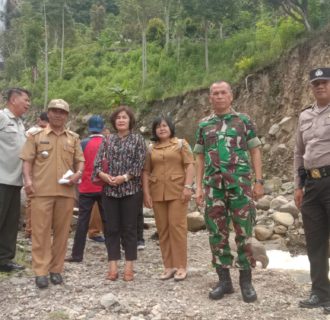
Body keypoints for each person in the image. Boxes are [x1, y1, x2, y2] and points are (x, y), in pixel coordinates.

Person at [194, 81, 264, 303]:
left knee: (243, 232)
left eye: (223, 92)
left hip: (240, 185)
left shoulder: (243, 121)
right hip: (213, 187)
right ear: (210, 98)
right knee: (217, 234)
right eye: (215, 93)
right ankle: (224, 281)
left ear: (231, 96)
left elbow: (255, 150)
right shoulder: (204, 125)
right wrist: (197, 187)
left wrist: (259, 181)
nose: (219, 96)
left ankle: (246, 281)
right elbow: (199, 156)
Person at [20, 99, 84, 289]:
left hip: (65, 192)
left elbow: (80, 160)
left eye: (62, 112)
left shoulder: (73, 138)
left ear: (67, 115)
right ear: (48, 113)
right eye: (54, 111)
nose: (58, 114)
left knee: (62, 233)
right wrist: (28, 181)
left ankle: (56, 269)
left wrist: (78, 173)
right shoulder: (36, 136)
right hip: (41, 192)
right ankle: (40, 271)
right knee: (40, 232)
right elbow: (27, 161)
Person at [92, 105, 146, 281]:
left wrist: (124, 177)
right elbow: (97, 164)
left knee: (130, 229)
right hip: (109, 191)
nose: (121, 120)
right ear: (114, 122)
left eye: (124, 117)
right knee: (111, 228)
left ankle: (129, 267)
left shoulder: (138, 139)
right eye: (118, 118)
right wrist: (104, 176)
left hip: (130, 190)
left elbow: (139, 164)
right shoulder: (107, 140)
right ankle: (113, 266)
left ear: (130, 120)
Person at [294, 67, 330, 313]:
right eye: (316, 83)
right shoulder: (304, 116)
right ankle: (320, 293)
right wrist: (298, 185)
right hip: (311, 185)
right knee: (315, 241)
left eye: (325, 82)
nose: (320, 86)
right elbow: (298, 152)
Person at [142, 116, 194, 281]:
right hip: (157, 193)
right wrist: (146, 193)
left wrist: (188, 187)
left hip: (177, 191)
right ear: (154, 130)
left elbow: (190, 165)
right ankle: (168, 266)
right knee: (163, 229)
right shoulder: (151, 148)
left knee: (177, 228)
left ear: (170, 127)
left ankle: (181, 266)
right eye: (158, 127)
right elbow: (146, 171)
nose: (161, 129)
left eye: (164, 126)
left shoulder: (180, 144)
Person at [65, 115, 109, 262]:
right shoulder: (108, 142)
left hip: (85, 187)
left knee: (83, 222)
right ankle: (114, 253)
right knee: (108, 220)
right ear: (103, 128)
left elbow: (75, 163)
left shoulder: (82, 143)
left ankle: (77, 255)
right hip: (104, 186)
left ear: (89, 128)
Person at [0, 88, 31, 272]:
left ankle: (4, 260)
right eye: (25, 100)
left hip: (14, 181)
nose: (28, 104)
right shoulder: (2, 118)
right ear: (13, 99)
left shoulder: (20, 123)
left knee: (11, 223)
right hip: (1, 179)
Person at [24, 112, 49, 239]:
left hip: (35, 170)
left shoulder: (29, 132)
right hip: (37, 170)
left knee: (33, 200)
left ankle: (31, 229)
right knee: (34, 200)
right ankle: (32, 229)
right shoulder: (34, 133)